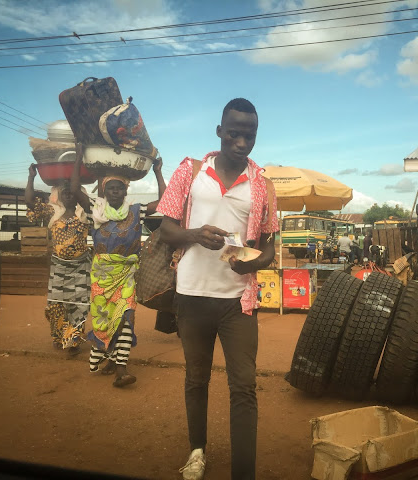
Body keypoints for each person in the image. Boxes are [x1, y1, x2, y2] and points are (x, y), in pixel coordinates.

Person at [157, 98, 278, 480]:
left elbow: (272, 247)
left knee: (244, 386)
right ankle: (197, 451)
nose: (242, 142)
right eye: (235, 133)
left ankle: (244, 471)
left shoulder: (263, 185)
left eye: (250, 135)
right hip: (191, 295)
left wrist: (253, 262)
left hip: (237, 302)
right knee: (197, 378)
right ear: (220, 131)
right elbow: (166, 227)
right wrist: (195, 234)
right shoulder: (190, 171)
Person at [71, 144, 166, 388]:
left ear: (126, 190)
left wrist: (157, 172)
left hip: (126, 275)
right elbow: (74, 189)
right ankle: (113, 360)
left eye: (119, 188)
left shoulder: (137, 211)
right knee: (104, 319)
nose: (115, 191)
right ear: (104, 191)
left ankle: (121, 369)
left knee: (126, 316)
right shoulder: (96, 210)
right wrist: (79, 155)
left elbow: (166, 202)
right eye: (110, 188)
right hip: (102, 277)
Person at [25, 165, 91, 355]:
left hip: (81, 267)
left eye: (72, 191)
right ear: (58, 195)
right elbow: (30, 201)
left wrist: (78, 159)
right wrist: (31, 177)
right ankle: (58, 335)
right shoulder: (52, 212)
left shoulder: (85, 212)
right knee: (55, 305)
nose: (69, 194)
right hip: (58, 267)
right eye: (65, 192)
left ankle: (73, 340)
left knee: (78, 305)